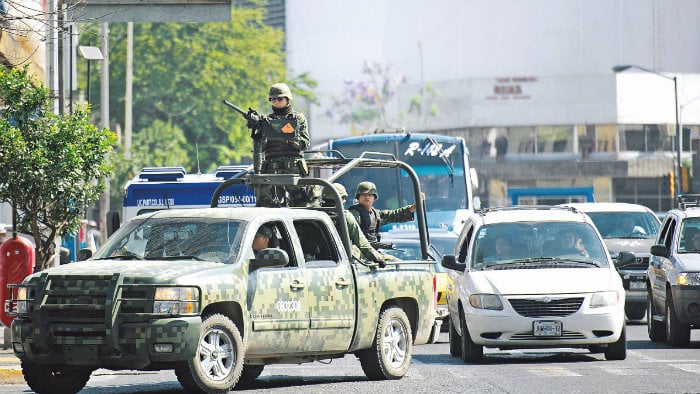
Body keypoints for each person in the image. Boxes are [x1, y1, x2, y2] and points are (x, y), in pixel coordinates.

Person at [253, 83, 311, 207]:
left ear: (287, 99)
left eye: (279, 98)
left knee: (301, 205)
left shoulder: (297, 118)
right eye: (273, 99)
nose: (276, 102)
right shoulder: (267, 121)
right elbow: (261, 148)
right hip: (271, 170)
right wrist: (261, 137)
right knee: (264, 205)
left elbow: (305, 144)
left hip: (293, 170)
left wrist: (289, 139)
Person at [323, 183, 388, 267]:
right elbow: (361, 242)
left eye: (370, 195)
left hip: (314, 261)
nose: (345, 201)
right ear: (340, 199)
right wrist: (377, 257)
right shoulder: (345, 216)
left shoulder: (314, 214)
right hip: (340, 263)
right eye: (343, 198)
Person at [348, 181, 425, 244]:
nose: (367, 197)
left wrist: (414, 207)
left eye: (370, 195)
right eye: (364, 195)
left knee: (395, 262)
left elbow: (395, 215)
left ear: (374, 197)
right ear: (358, 197)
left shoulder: (376, 215)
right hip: (357, 254)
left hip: (372, 252)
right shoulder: (353, 215)